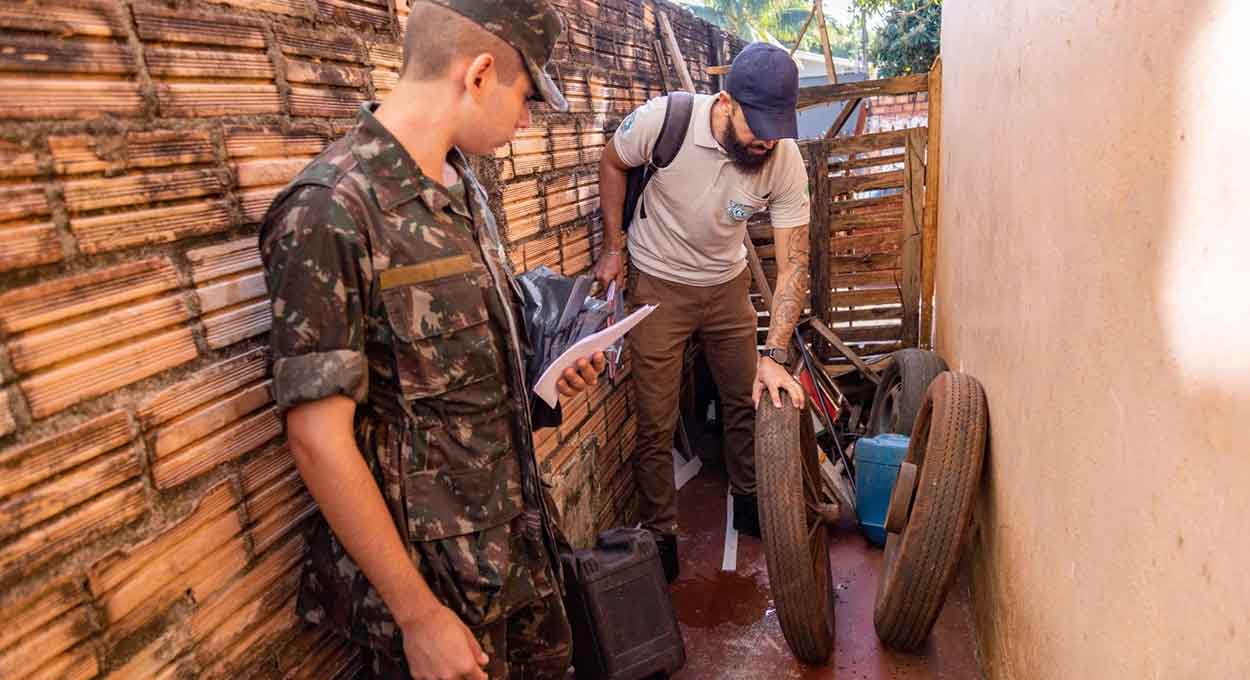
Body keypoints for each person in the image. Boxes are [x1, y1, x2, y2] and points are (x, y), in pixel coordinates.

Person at [259, 1, 606, 678]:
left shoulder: (461, 184)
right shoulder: (331, 210)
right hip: (439, 592)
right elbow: (318, 438)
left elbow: (447, 382)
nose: (528, 119)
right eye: (526, 95)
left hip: (517, 552)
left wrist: (545, 380)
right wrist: (418, 616)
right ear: (478, 75)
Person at [592, 42, 810, 582]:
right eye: (757, 124)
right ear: (726, 102)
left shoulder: (781, 159)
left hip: (727, 285)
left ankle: (752, 502)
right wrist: (613, 247)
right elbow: (613, 161)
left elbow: (794, 265)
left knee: (744, 397)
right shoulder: (665, 121)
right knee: (655, 416)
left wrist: (776, 352)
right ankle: (661, 534)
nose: (766, 140)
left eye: (776, 128)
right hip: (658, 282)